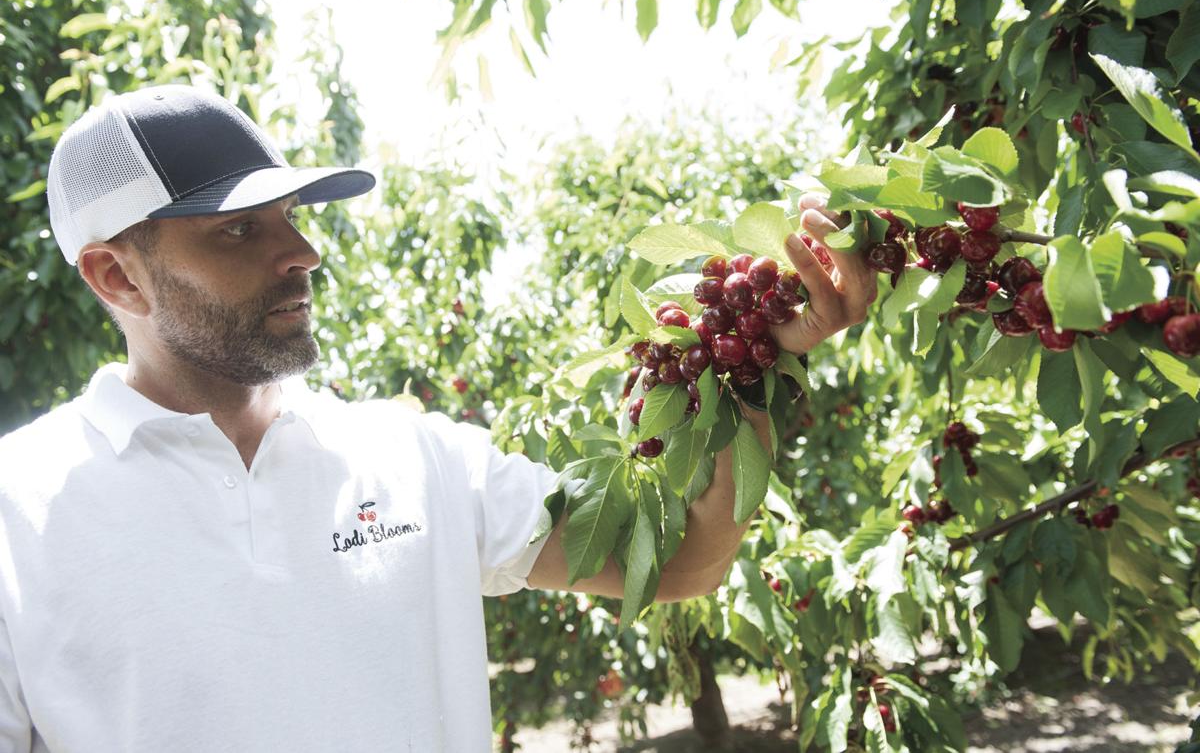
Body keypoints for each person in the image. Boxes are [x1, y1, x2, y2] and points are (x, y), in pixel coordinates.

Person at [0, 84, 875, 750]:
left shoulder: (413, 456)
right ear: (116, 277)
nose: (303, 252)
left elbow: (682, 561)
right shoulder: (18, 515)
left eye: (293, 216)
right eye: (236, 230)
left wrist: (750, 358)